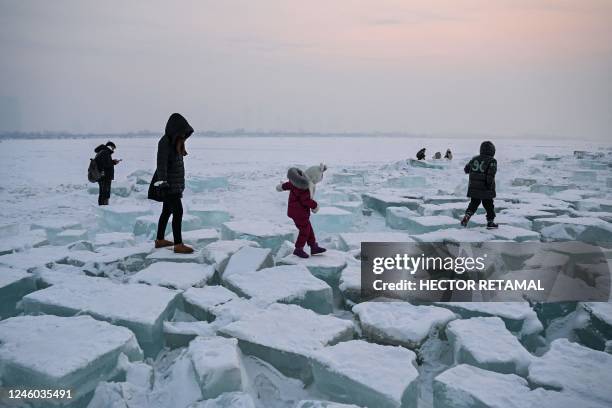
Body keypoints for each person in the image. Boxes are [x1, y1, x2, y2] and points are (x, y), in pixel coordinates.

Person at [148, 113, 195, 254]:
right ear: (175, 129)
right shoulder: (165, 142)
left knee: (167, 211)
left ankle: (160, 240)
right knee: (178, 212)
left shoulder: (177, 143)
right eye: (181, 131)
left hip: (175, 184)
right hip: (168, 185)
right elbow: (161, 164)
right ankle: (178, 244)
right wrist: (162, 183)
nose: (183, 135)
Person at [276, 166, 327, 258]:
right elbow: (305, 201)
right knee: (304, 231)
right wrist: (315, 206)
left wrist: (280, 187)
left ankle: (313, 247)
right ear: (314, 178)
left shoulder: (297, 182)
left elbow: (288, 185)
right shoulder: (305, 186)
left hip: (296, 212)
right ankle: (298, 249)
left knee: (309, 229)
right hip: (299, 213)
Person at [461, 141, 498, 229]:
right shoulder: (492, 161)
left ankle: (467, 215)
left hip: (474, 187)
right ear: (492, 151)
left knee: (474, 203)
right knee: (489, 205)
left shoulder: (474, 159)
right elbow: (490, 175)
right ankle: (490, 222)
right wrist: (488, 186)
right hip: (486, 188)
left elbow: (466, 169)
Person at [94, 141, 119, 205]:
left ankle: (102, 206)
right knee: (105, 193)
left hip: (102, 176)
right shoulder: (105, 152)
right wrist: (114, 162)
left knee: (102, 192)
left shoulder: (102, 152)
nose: (113, 149)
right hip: (105, 177)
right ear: (110, 147)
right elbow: (105, 164)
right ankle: (104, 207)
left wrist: (112, 162)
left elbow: (104, 163)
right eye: (113, 148)